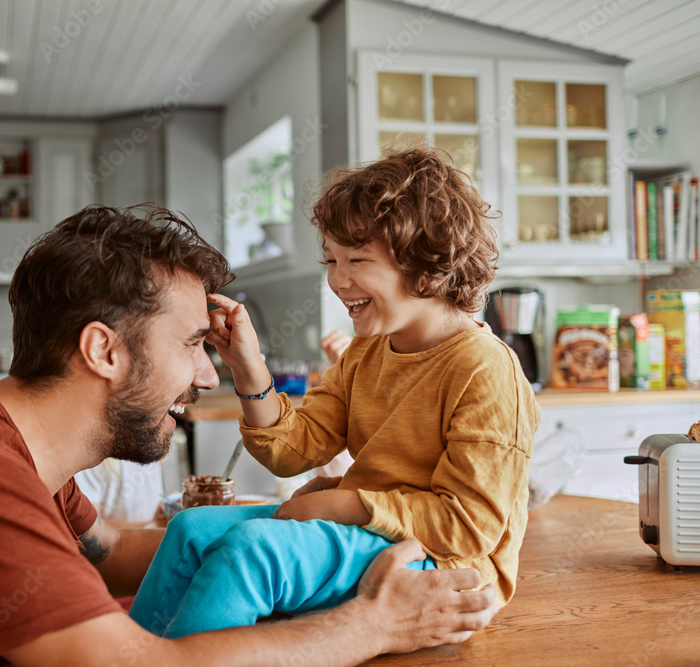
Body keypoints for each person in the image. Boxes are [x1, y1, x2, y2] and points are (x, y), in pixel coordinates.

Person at [0, 205, 497, 667]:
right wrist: (374, 620)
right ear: (103, 350)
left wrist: (300, 525)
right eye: (195, 344)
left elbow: (120, 554)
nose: (206, 376)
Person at [129, 146, 540, 639]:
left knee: (253, 551)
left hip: (448, 567)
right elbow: (292, 452)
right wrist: (248, 365)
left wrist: (348, 504)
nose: (337, 280)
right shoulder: (369, 352)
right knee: (189, 531)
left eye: (358, 260)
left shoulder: (484, 368)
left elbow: (469, 526)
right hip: (370, 533)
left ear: (428, 266)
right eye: (331, 259)